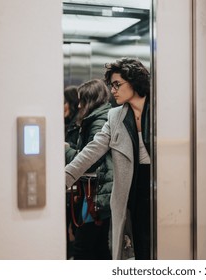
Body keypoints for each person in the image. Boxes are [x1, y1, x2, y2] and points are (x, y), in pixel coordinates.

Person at [65, 57, 151, 260]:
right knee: (138, 247)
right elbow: (92, 149)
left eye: (117, 84)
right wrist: (66, 176)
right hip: (131, 191)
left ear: (134, 81)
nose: (113, 90)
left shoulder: (160, 111)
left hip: (159, 188)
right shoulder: (115, 116)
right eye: (111, 85)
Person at [65, 79, 113, 260]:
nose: (78, 105)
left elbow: (91, 161)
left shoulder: (98, 121)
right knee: (98, 248)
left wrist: (67, 150)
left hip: (96, 193)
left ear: (90, 100)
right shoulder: (99, 118)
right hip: (97, 192)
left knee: (83, 248)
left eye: (82, 100)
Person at [64, 85, 80, 259]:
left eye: (65, 102)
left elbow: (80, 154)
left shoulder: (77, 123)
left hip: (76, 184)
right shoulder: (67, 122)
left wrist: (66, 148)